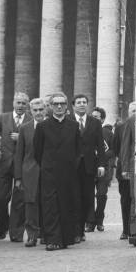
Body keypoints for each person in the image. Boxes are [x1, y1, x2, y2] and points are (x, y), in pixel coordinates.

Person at [34, 92, 81, 251]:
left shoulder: (74, 126)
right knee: (50, 207)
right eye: (56, 104)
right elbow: (37, 151)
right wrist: (48, 166)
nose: (59, 106)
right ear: (51, 107)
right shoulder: (42, 126)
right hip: (49, 173)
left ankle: (66, 238)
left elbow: (77, 150)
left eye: (62, 104)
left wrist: (71, 166)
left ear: (66, 106)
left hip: (68, 174)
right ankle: (53, 240)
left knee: (66, 205)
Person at [0, 92, 32, 241]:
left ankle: (16, 232)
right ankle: (3, 227)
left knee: (19, 200)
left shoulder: (31, 120)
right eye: (18, 102)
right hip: (3, 163)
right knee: (1, 198)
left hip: (22, 164)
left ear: (27, 105)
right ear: (13, 103)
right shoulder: (3, 117)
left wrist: (22, 137)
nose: (20, 106)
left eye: (24, 103)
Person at [71, 94, 105, 239]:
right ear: (73, 105)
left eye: (84, 102)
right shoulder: (67, 120)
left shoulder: (94, 123)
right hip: (71, 166)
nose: (82, 104)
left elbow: (100, 146)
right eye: (78, 102)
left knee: (87, 197)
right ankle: (76, 230)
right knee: (73, 197)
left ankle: (83, 227)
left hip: (89, 166)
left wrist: (102, 164)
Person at [14, 98, 46, 247]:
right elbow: (19, 154)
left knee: (48, 203)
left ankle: (46, 234)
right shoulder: (25, 128)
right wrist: (18, 177)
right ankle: (32, 235)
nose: (38, 113)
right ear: (30, 111)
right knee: (30, 203)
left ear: (45, 110)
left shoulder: (51, 125)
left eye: (41, 110)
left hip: (48, 171)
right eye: (35, 110)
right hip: (30, 172)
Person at [89, 107, 115, 232]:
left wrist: (101, 155)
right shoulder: (86, 131)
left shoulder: (108, 133)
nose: (94, 119)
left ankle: (99, 220)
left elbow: (114, 150)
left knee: (101, 195)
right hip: (88, 168)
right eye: (92, 116)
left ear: (103, 119)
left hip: (104, 169)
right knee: (88, 196)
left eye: (97, 117)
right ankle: (90, 222)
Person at [114, 102, 136, 240]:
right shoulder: (121, 126)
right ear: (128, 111)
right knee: (126, 200)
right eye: (132, 110)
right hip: (126, 169)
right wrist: (124, 167)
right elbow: (118, 148)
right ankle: (126, 229)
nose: (134, 112)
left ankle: (135, 229)